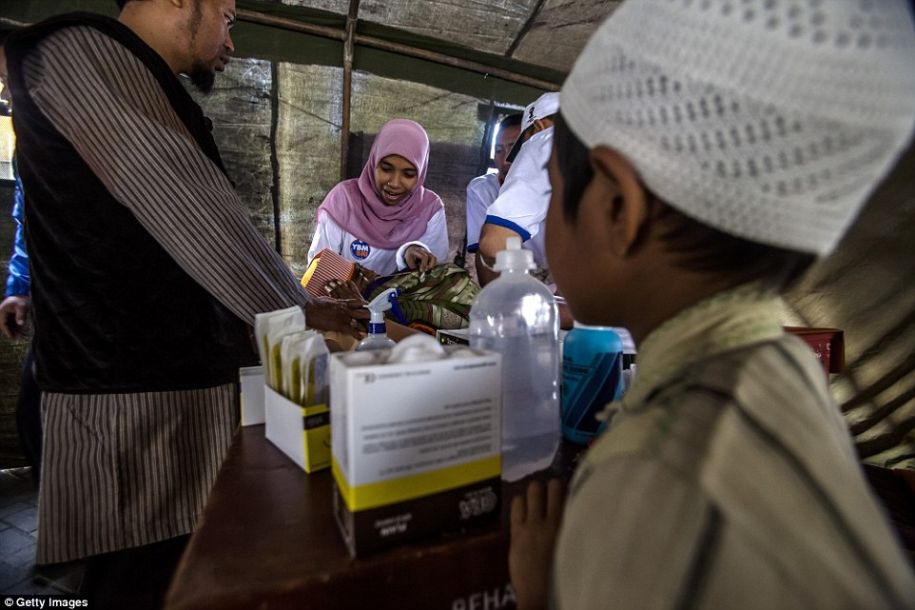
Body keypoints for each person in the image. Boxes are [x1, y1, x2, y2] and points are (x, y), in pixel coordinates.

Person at [509, 1, 915, 609]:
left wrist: (547, 594)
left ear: (618, 209)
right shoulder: (787, 371)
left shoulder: (641, 479)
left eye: (555, 192)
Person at [6, 1, 362, 607]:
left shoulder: (138, 77)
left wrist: (291, 308)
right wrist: (296, 308)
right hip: (123, 403)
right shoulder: (79, 54)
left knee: (169, 566)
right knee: (136, 576)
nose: (230, 36)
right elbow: (195, 217)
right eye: (224, 14)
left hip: (159, 394)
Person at [307, 118, 448, 276]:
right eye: (386, 169)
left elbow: (433, 279)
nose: (394, 183)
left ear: (421, 173)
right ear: (373, 162)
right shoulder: (342, 200)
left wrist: (409, 254)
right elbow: (319, 270)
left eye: (408, 174)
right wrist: (356, 288)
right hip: (339, 299)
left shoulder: (430, 210)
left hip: (400, 301)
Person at [0, 24, 42, 484]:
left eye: (11, 80)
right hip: (55, 308)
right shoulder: (27, 143)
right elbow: (26, 219)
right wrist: (20, 288)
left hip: (86, 311)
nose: (8, 93)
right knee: (33, 418)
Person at [476, 92, 558, 286]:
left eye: (521, 147)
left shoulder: (547, 140)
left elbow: (494, 245)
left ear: (538, 127)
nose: (508, 161)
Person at [465, 112, 521, 264]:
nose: (504, 159)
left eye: (513, 148)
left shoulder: (554, 191)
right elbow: (486, 259)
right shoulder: (481, 190)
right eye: (498, 150)